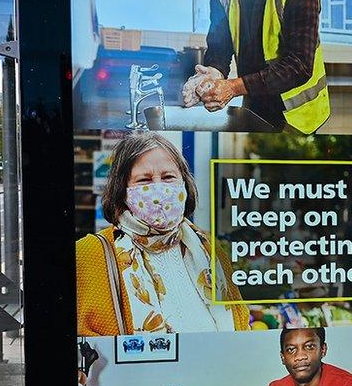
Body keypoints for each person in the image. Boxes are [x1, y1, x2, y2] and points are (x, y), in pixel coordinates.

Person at [76, 133, 247, 336]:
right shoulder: (89, 255)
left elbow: (242, 327)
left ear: (184, 184)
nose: (158, 189)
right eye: (144, 180)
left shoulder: (209, 249)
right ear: (122, 190)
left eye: (168, 177)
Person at [184, 0, 330, 134]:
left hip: (298, 114)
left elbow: (299, 67)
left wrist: (233, 87)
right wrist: (212, 74)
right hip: (255, 107)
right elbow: (219, 49)